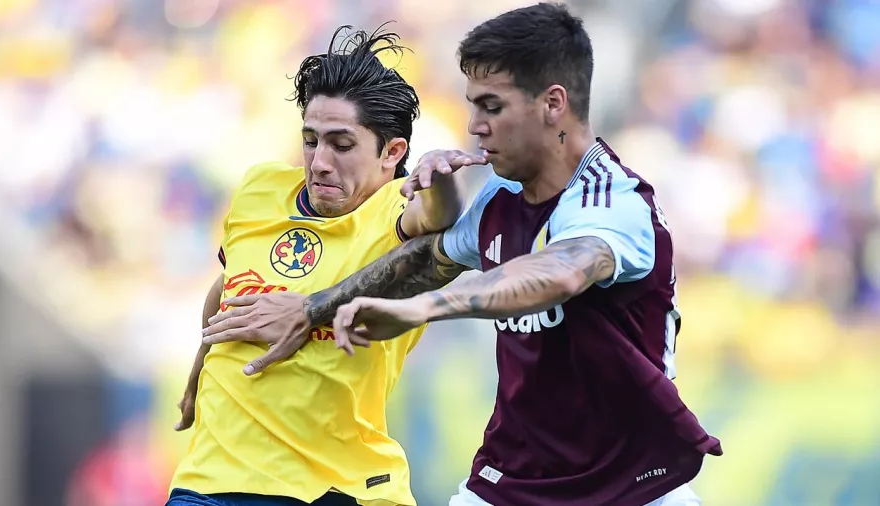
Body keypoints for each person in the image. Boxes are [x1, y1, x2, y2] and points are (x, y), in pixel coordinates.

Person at [203, 4, 722, 506]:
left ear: (553, 104)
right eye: (472, 104)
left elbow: (558, 273)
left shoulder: (612, 202)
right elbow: (422, 263)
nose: (474, 124)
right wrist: (315, 306)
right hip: (510, 481)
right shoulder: (497, 198)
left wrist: (429, 307)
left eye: (491, 106)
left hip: (634, 487)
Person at [169, 24, 486, 506]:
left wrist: (438, 177)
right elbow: (225, 284)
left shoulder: (392, 213)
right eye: (311, 140)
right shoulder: (259, 189)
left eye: (341, 145)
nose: (318, 162)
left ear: (392, 152)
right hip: (212, 481)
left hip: (338, 488)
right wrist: (198, 372)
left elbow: (439, 216)